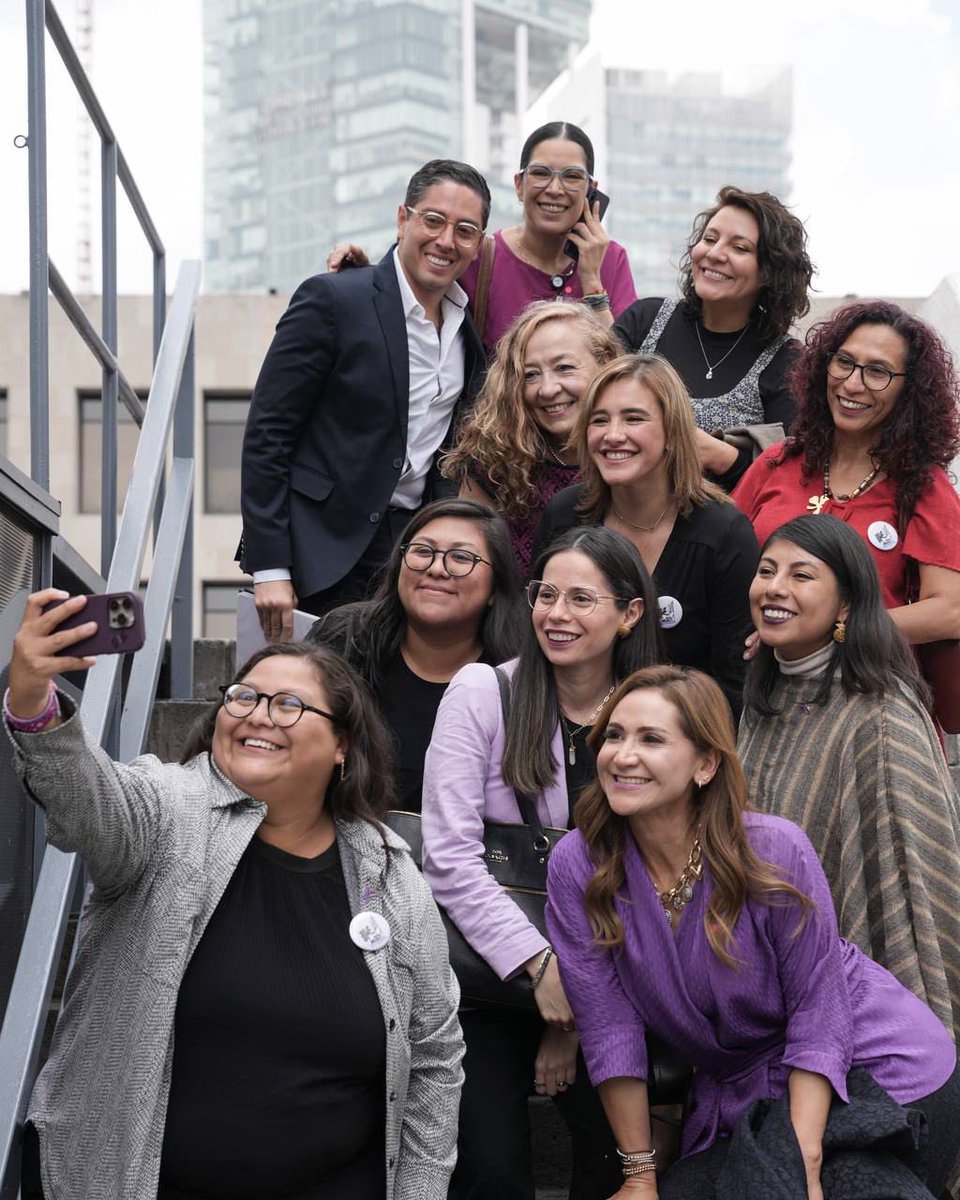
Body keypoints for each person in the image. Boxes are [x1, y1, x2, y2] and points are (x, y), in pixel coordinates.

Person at [9, 595, 463, 1200]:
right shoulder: (166, 805)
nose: (257, 715)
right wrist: (34, 702)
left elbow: (434, 1050)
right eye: (243, 697)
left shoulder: (389, 871)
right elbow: (90, 807)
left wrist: (421, 1191)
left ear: (342, 745)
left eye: (290, 704)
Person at [546, 665, 960, 1200]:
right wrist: (640, 1175)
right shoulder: (578, 864)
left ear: (706, 764)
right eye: (615, 736)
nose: (623, 756)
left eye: (651, 739)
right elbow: (609, 1026)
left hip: (882, 1064)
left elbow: (819, 1013)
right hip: (750, 1090)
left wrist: (803, 1161)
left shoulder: (774, 849)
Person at [422, 527, 662, 1200]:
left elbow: (659, 869)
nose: (557, 614)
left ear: (630, 613)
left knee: (617, 1162)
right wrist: (540, 968)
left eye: (582, 598)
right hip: (487, 980)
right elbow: (448, 859)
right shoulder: (484, 692)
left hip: (610, 980)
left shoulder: (652, 711)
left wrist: (573, 1008)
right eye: (546, 594)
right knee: (490, 1169)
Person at [239, 158, 490, 638]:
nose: (445, 240)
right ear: (403, 219)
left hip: (411, 554)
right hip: (320, 549)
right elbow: (268, 434)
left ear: (478, 243)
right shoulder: (333, 299)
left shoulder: (467, 332)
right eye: (432, 220)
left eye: (465, 230)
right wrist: (270, 565)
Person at [737, 514, 960, 1034]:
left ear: (846, 605)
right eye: (767, 570)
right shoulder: (764, 694)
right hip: (764, 971)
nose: (775, 587)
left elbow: (912, 880)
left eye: (801, 575)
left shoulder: (882, 716)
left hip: (866, 987)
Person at [533, 354, 759, 716]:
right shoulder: (564, 515)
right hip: (564, 729)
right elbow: (536, 641)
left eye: (634, 419)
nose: (613, 435)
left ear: (673, 432)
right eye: (599, 420)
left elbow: (735, 684)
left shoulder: (723, 533)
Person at [734, 299, 960, 648]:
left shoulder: (923, 485)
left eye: (878, 372)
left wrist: (830, 630)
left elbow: (950, 611)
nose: (852, 385)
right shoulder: (778, 461)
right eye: (844, 362)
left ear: (910, 390)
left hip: (865, 688)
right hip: (759, 680)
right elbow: (721, 565)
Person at [329, 121, 637, 353]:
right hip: (492, 435)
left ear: (591, 189)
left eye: (572, 177)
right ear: (519, 185)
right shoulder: (480, 254)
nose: (555, 189)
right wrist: (365, 273)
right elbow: (410, 289)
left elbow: (626, 371)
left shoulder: (610, 258)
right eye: (541, 174)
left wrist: (593, 283)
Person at [307, 499, 524, 812]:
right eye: (423, 551)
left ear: (495, 587)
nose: (436, 569)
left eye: (461, 557)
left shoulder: (516, 672)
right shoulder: (345, 637)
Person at [615, 185, 814, 488]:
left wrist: (720, 455)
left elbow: (788, 477)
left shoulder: (787, 361)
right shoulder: (645, 320)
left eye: (740, 248)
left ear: (770, 272)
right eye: (709, 239)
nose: (715, 253)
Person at [441, 302, 622, 575]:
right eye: (531, 375)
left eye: (564, 368)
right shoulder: (494, 459)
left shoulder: (635, 452)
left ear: (605, 361)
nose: (547, 389)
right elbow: (464, 563)